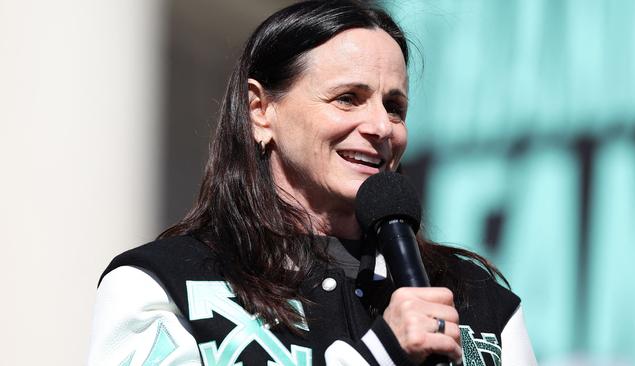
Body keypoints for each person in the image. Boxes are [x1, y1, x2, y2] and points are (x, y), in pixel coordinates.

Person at [88, 1, 537, 365]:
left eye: (395, 106)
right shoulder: (163, 286)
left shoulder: (477, 301)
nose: (381, 126)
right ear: (260, 109)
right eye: (348, 99)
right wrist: (380, 355)